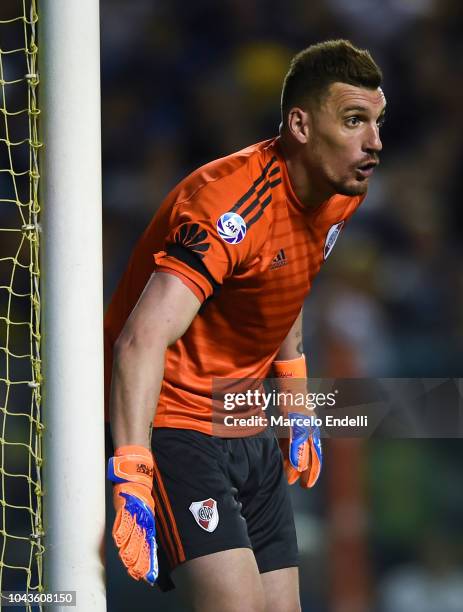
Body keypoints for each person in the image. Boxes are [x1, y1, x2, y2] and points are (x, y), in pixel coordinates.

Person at [105, 39, 386, 612]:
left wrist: (296, 394)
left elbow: (284, 280)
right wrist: (133, 469)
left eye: (378, 122)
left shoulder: (340, 190)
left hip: (244, 416)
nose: (374, 142)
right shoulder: (228, 209)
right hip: (175, 422)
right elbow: (141, 338)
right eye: (355, 121)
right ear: (301, 125)